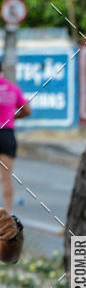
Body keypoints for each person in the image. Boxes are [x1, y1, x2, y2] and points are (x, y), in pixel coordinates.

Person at [0, 60, 31, 211]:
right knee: (6, 178)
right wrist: (11, 117)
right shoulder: (12, 89)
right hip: (7, 135)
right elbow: (27, 110)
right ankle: (7, 215)